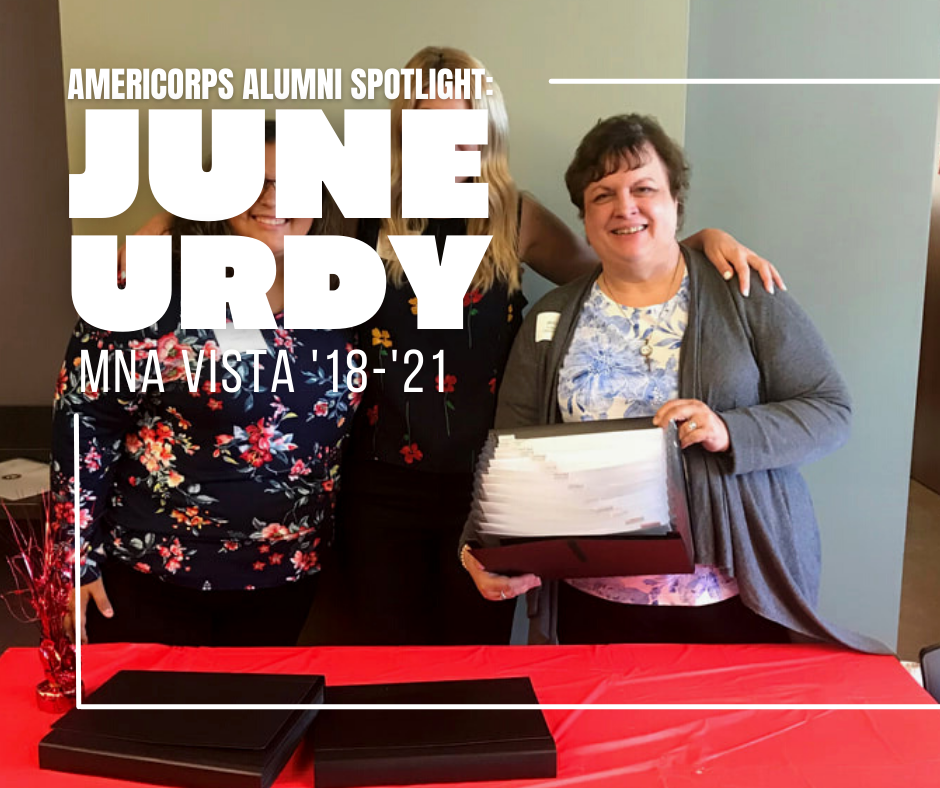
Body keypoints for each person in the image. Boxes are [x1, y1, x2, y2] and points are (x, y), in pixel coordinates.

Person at [313, 47, 786, 647]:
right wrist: (157, 237)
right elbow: (252, 232)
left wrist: (703, 240)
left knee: (472, 667)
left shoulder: (513, 217)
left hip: (488, 486)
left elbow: (619, 267)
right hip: (377, 483)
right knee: (381, 660)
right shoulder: (359, 215)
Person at [460, 113, 886, 651]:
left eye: (644, 188)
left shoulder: (743, 290)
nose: (625, 207)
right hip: (597, 602)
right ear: (585, 218)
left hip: (735, 594)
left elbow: (830, 409)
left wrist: (730, 430)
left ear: (676, 203)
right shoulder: (551, 318)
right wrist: (478, 546)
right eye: (603, 195)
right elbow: (509, 457)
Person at [57, 120, 358, 647]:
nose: (274, 199)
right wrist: (72, 559)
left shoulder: (344, 295)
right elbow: (84, 417)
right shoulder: (152, 293)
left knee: (258, 729)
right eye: (254, 182)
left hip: (288, 580)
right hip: (155, 577)